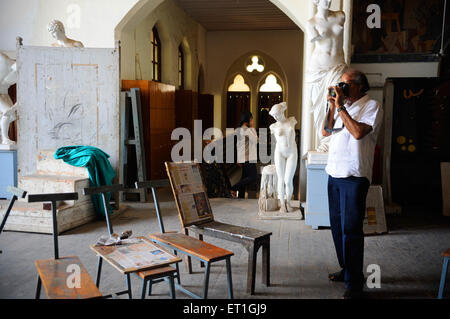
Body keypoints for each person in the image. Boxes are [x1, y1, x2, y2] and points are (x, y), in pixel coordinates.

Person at [322, 69, 383, 299]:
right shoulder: (340, 107)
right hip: (334, 173)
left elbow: (358, 132)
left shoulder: (372, 106)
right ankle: (347, 269)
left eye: (345, 84)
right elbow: (325, 131)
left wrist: (340, 107)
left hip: (354, 176)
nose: (341, 88)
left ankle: (355, 284)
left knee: (351, 230)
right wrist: (331, 106)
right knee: (337, 227)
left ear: (359, 86)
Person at [231, 111, 258, 199]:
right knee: (253, 176)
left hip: (244, 157)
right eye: (252, 119)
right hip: (248, 157)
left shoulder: (239, 129)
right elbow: (256, 140)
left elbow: (238, 145)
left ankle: (241, 198)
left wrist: (238, 159)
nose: (253, 121)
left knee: (245, 177)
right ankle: (233, 188)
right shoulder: (246, 130)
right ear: (248, 120)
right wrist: (252, 128)